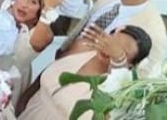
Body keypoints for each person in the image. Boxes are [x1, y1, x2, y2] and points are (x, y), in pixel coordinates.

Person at [59, 0, 167, 78]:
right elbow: (88, 21)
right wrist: (64, 50)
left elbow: (137, 80)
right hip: (63, 60)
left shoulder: (154, 33)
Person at [17, 25, 152, 119]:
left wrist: (117, 59)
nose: (109, 50)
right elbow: (45, 74)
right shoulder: (82, 47)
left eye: (121, 51)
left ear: (130, 65)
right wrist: (22, 102)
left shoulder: (115, 90)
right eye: (111, 42)